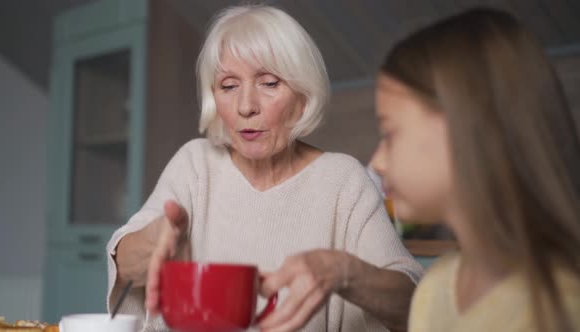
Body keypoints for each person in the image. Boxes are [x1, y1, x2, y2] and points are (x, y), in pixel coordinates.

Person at [106, 5, 423, 332]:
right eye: (228, 86)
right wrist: (153, 240)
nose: (246, 106)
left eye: (269, 83)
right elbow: (124, 263)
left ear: (303, 96)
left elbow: (416, 302)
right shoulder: (195, 164)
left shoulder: (344, 181)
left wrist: (346, 272)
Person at [369, 7, 580, 332]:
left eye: (389, 134)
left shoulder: (559, 306)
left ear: (463, 129)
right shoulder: (435, 287)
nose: (377, 162)